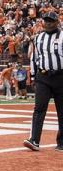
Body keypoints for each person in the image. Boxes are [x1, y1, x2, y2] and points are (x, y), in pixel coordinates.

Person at [23, 11, 63, 152]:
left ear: (57, 22)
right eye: (46, 21)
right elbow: (34, 58)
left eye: (51, 21)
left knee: (61, 110)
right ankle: (34, 139)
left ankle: (62, 142)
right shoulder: (38, 38)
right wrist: (33, 76)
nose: (48, 23)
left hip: (60, 77)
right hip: (43, 77)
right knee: (39, 108)